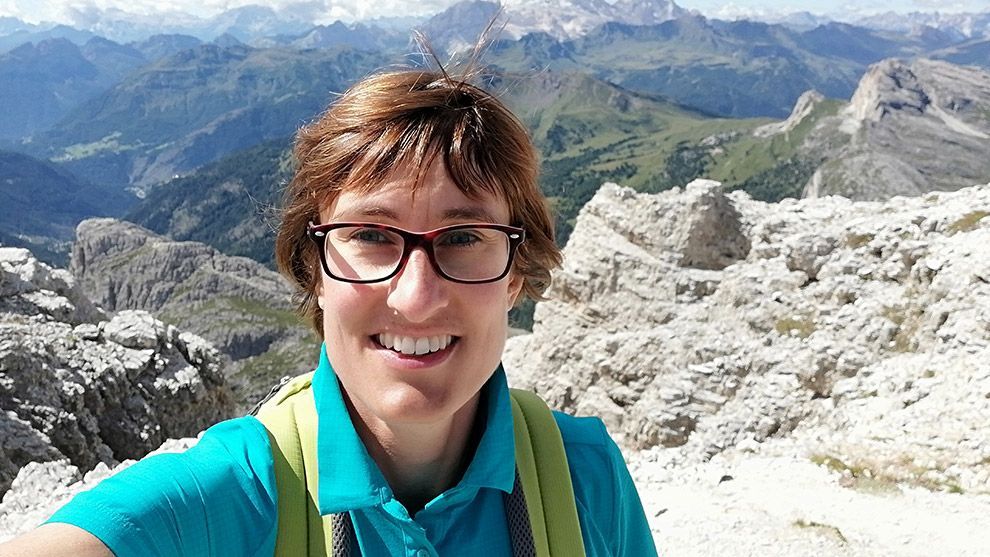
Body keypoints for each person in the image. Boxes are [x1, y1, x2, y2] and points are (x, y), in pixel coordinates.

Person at [0, 65, 657, 556]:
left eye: (463, 238)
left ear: (516, 273)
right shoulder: (237, 492)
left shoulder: (586, 476)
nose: (416, 295)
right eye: (372, 236)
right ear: (314, 269)